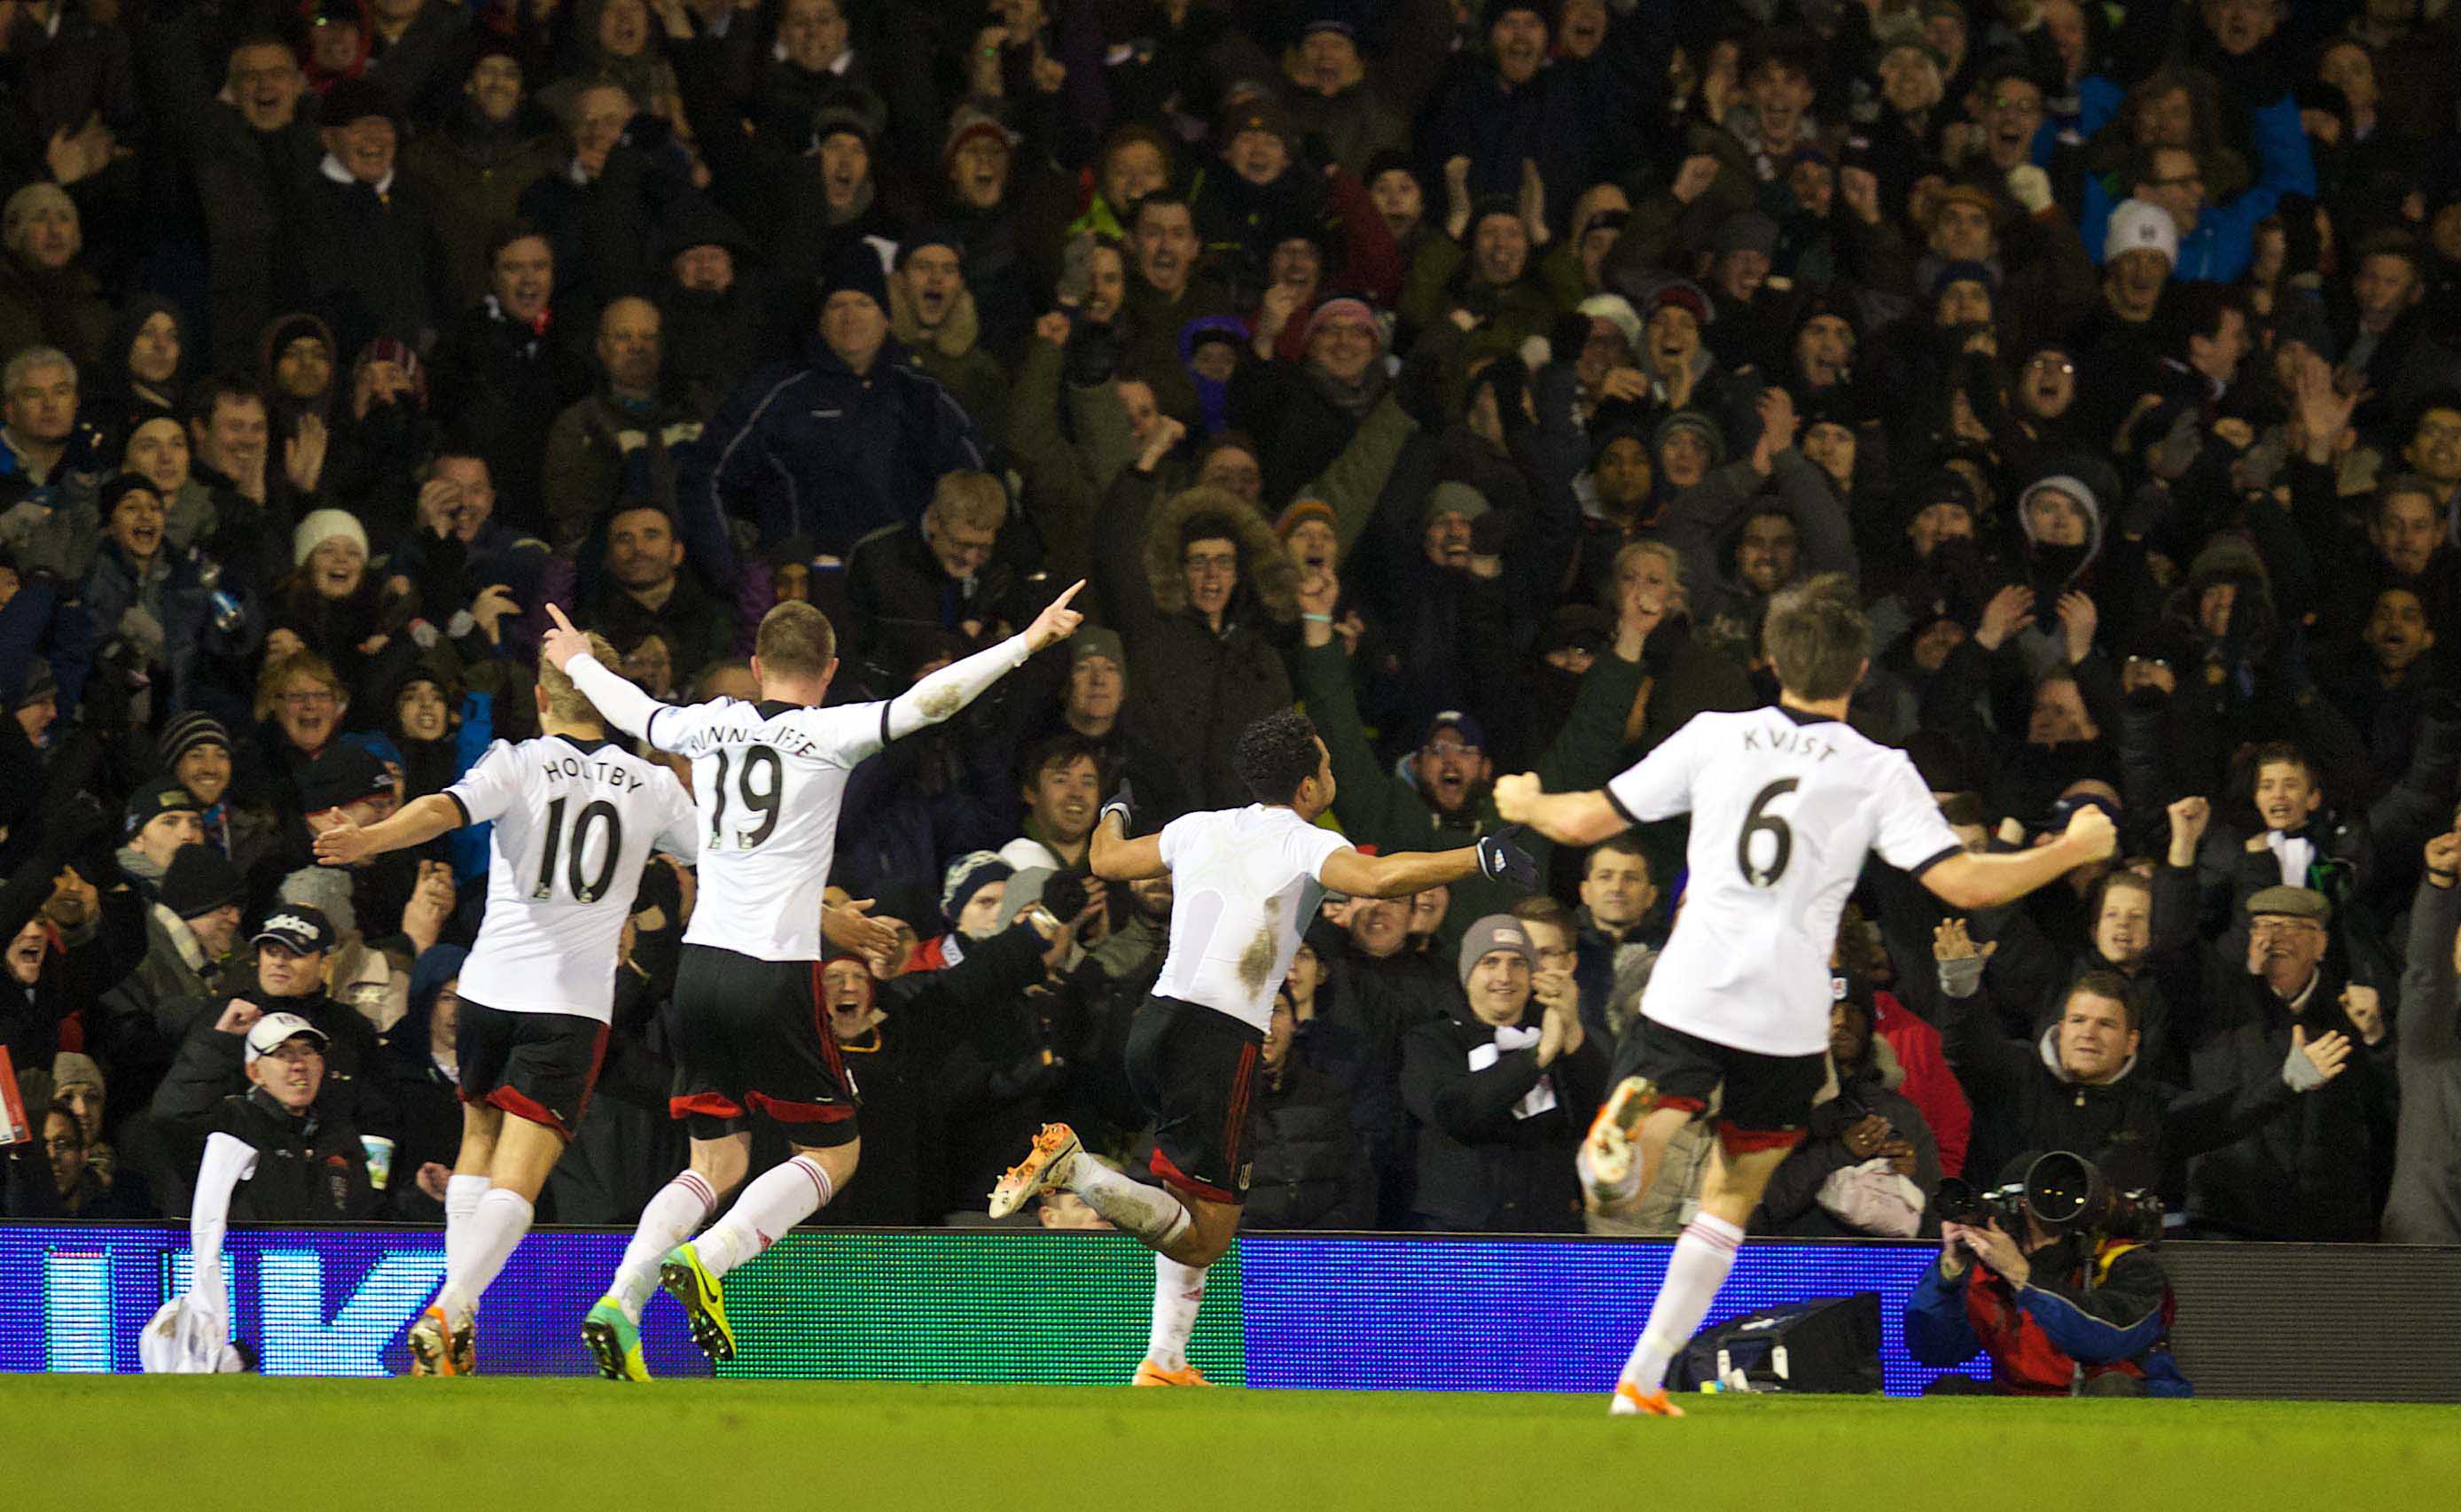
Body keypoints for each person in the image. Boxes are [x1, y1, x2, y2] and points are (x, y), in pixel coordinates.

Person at [1494, 573, 2118, 1417]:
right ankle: (1643, 1375)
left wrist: (1529, 800)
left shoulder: (1716, 735)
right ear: (1860, 670)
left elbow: (1583, 822)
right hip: (1789, 1016)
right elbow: (1965, 881)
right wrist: (2068, 844)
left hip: (1693, 984)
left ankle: (1623, 1145)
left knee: (1651, 1138)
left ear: (1769, 660)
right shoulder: (1877, 769)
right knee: (1731, 1196)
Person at [542, 585, 1085, 1376]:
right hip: (775, 973)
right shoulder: (830, 732)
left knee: (713, 1163)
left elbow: (632, 712)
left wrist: (578, 662)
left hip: (700, 973)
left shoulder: (703, 723)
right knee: (832, 1158)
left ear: (758, 666)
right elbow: (932, 701)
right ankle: (713, 1260)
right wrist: (1027, 642)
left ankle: (621, 1304)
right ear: (828, 672)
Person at [985, 708, 1538, 1385]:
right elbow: (1380, 878)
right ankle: (1080, 1173)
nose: (1332, 774)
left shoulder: (1202, 827)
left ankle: (1164, 1361)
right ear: (1307, 788)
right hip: (1217, 1041)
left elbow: (1107, 858)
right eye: (1328, 765)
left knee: (1186, 1200)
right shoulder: (1300, 841)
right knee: (1208, 1233)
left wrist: (1118, 809)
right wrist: (1479, 856)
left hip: (1154, 1025)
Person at [309, 633, 697, 1376]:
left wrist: (372, 841)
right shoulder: (651, 786)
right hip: (569, 1005)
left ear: (544, 700)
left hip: (486, 992)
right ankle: (450, 1306)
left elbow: (439, 810)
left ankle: (456, 1335)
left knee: (476, 1150)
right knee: (520, 1179)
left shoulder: (516, 760)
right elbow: (727, 856)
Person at [142, 1012, 375, 1372]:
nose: (299, 1065)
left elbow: (365, 1216)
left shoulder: (339, 1134)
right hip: (247, 1309)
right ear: (254, 1072)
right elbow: (172, 1116)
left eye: (308, 1052)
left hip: (326, 1315)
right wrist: (216, 1040)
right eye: (282, 1054)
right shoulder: (232, 1122)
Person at [1904, 1152, 2189, 1397]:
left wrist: (2021, 1275)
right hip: (2023, 1399)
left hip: (2130, 1401)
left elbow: (2102, 1340)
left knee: (2112, 1388)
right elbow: (1933, 1352)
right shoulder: (1988, 1271)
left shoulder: (2128, 1263)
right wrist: (1950, 1273)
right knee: (1949, 1390)